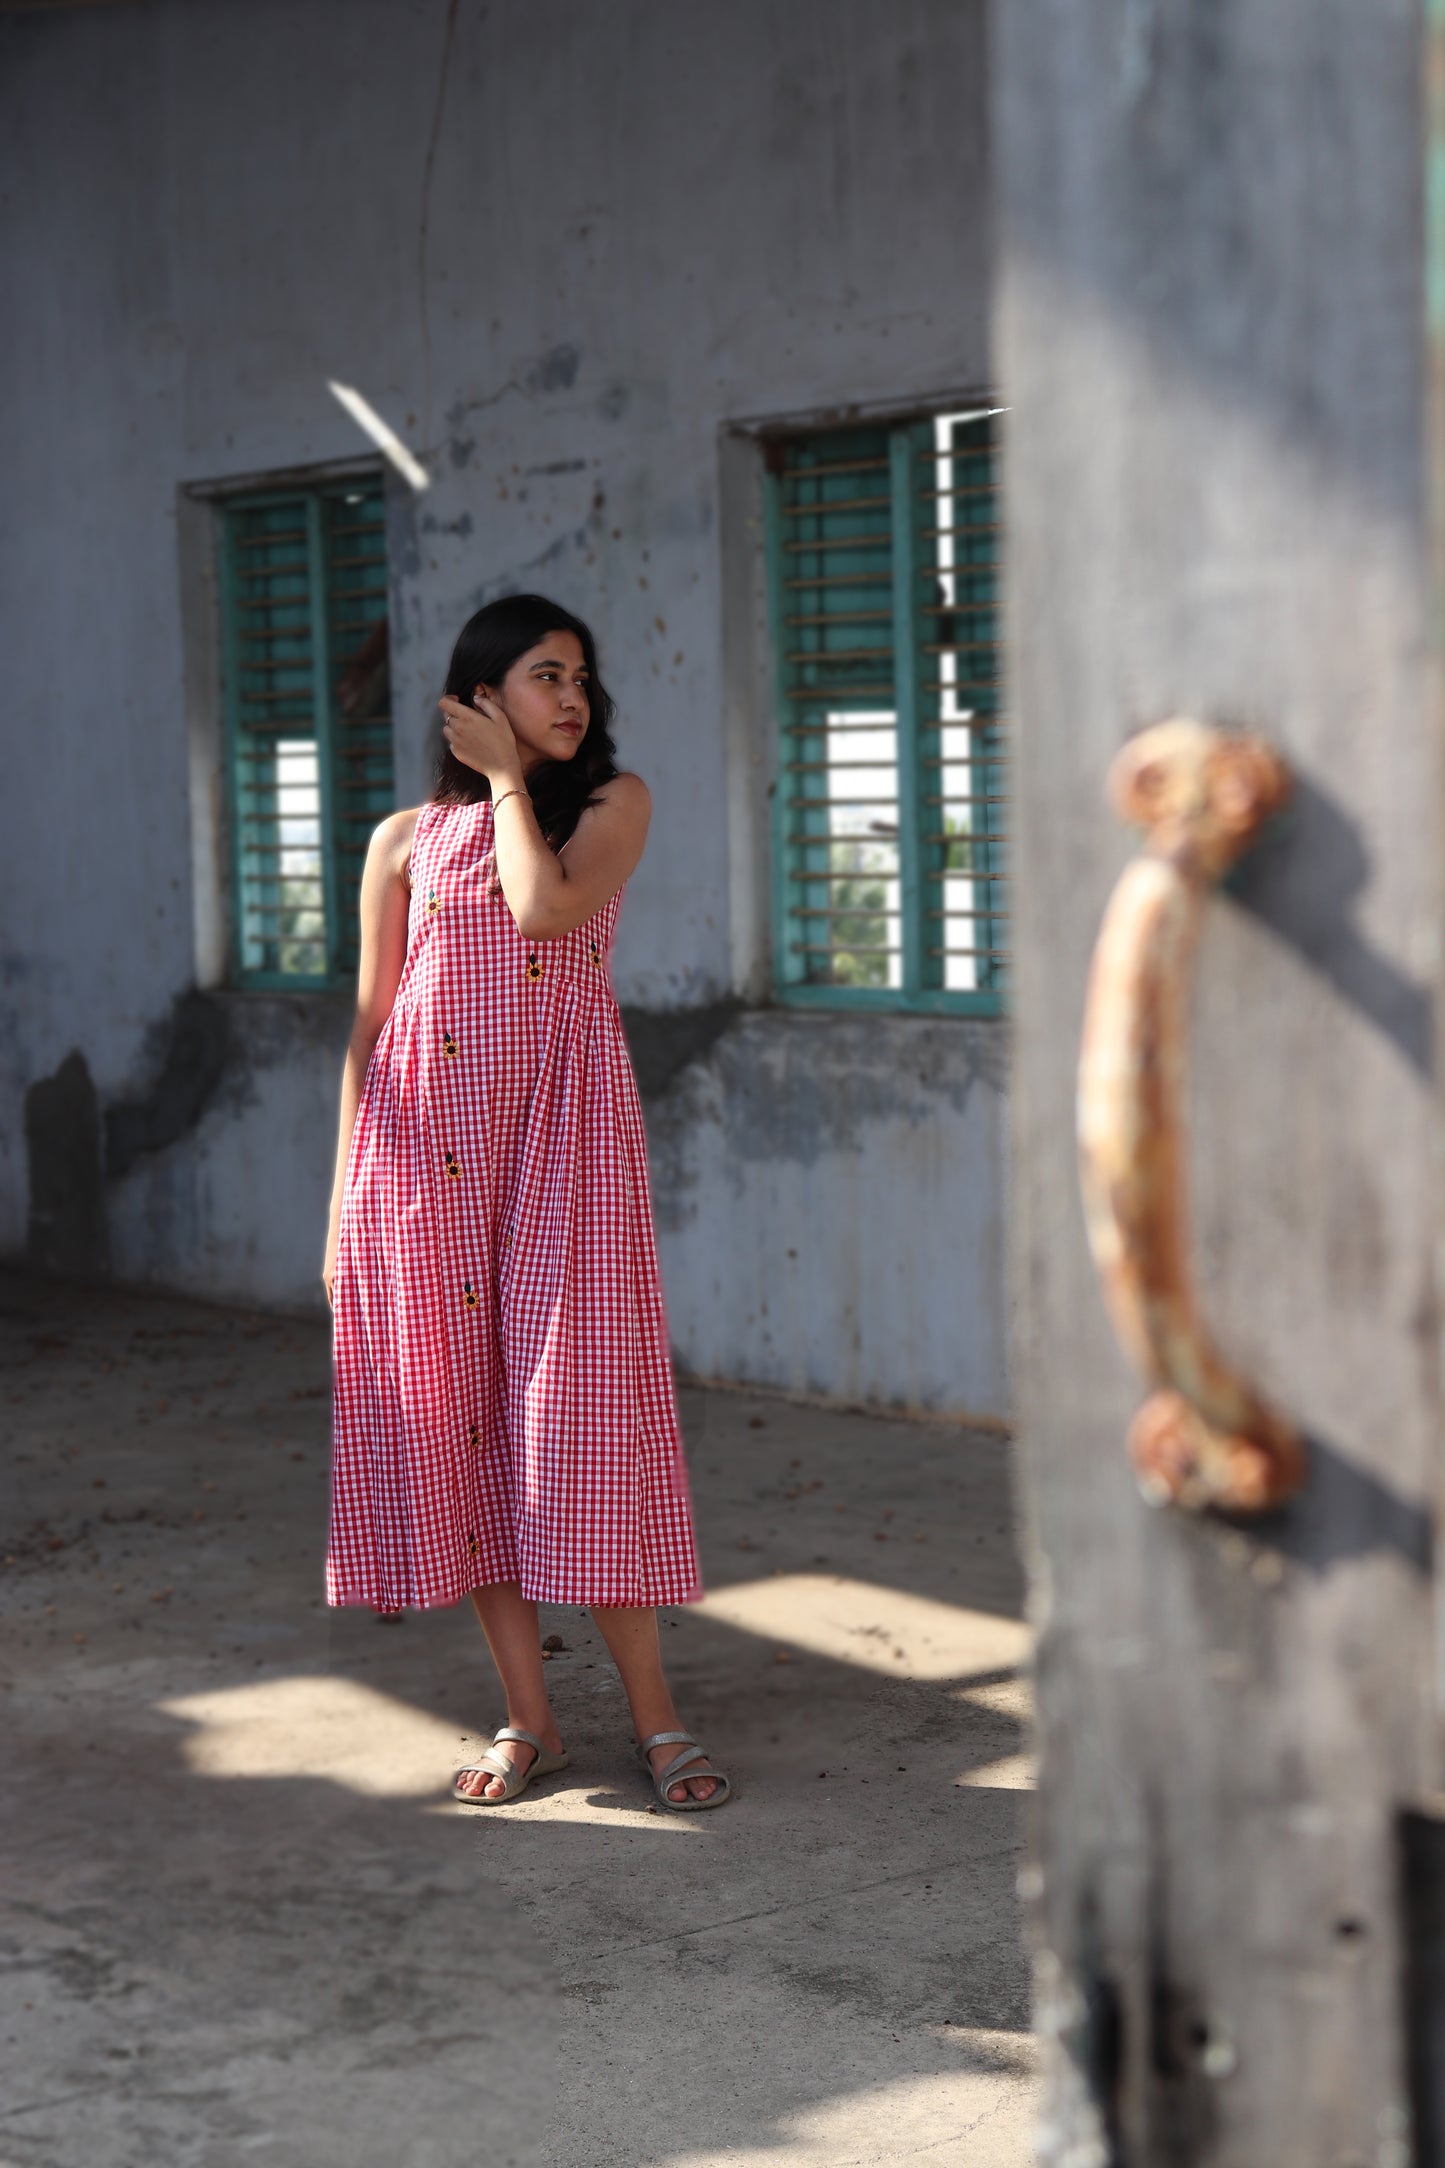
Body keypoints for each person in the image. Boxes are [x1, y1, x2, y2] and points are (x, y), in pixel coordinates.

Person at [323, 593, 729, 1812]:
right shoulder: (399, 840)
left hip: (562, 1156)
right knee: (460, 1434)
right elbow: (370, 1021)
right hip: (419, 1167)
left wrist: (504, 781)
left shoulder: (613, 805)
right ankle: (529, 1717)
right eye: (545, 674)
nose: (573, 697)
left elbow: (545, 908)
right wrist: (343, 1203)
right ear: (477, 691)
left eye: (583, 678)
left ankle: (655, 1719)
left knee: (580, 1427)